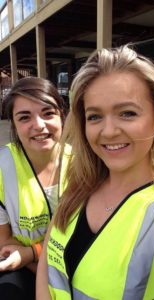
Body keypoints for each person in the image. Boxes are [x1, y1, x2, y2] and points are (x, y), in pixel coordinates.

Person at [36, 45, 154, 300]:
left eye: (127, 113)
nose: (108, 132)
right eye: (95, 117)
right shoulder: (78, 187)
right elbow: (47, 267)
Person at [0, 77, 69, 300]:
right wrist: (42, 272)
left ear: (62, 116)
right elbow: (4, 241)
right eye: (24, 117)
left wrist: (33, 252)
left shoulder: (85, 164)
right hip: (24, 267)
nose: (38, 125)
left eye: (48, 113)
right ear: (14, 124)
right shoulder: (2, 168)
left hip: (73, 263)